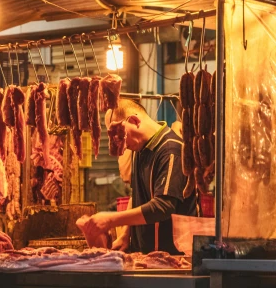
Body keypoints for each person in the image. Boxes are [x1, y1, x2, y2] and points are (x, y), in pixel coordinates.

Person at [82, 99, 196, 254]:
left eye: (121, 135)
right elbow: (135, 195)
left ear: (135, 121)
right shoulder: (139, 150)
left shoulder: (171, 150)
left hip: (171, 257)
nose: (121, 144)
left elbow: (163, 207)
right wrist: (125, 234)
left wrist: (111, 219)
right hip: (145, 255)